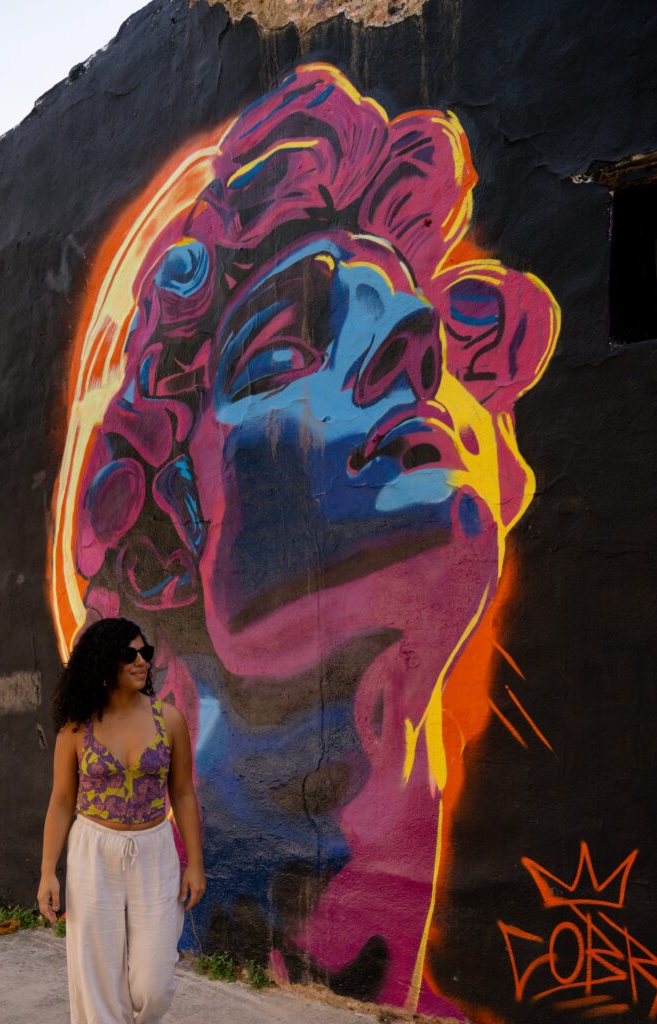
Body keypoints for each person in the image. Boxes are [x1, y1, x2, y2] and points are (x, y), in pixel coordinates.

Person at [49, 64, 560, 1015]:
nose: (410, 332)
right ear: (168, 533)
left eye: (412, 318)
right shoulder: (106, 730)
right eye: (284, 350)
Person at [37, 617, 206, 1024]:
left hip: (154, 851)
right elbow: (62, 801)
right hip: (93, 851)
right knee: (96, 977)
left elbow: (182, 793)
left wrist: (195, 864)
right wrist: (48, 871)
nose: (141, 661)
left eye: (145, 652)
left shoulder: (170, 720)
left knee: (155, 984)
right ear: (102, 662)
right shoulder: (76, 729)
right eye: (129, 654)